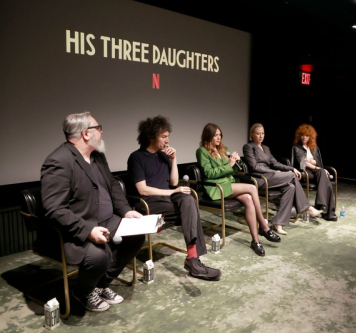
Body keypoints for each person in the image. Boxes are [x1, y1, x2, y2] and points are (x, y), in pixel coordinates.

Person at [41, 112, 145, 312]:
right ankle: (83, 291)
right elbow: (55, 209)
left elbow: (113, 185)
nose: (101, 131)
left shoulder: (97, 156)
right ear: (86, 134)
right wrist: (88, 230)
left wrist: (125, 211)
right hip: (78, 226)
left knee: (136, 234)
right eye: (98, 128)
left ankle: (100, 284)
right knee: (99, 256)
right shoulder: (58, 161)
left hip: (106, 219)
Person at [127, 116, 221, 280]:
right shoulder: (136, 157)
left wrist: (174, 159)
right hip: (149, 204)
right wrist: (172, 192)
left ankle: (192, 257)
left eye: (167, 136)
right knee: (190, 208)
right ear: (151, 137)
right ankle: (193, 259)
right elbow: (143, 190)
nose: (167, 140)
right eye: (163, 136)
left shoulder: (163, 156)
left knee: (189, 198)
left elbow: (174, 181)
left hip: (166, 201)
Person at [195, 123, 281, 257]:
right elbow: (209, 173)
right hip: (216, 187)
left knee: (248, 198)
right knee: (252, 188)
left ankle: (255, 241)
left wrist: (237, 163)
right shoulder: (202, 151)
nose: (218, 138)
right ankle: (264, 227)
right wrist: (229, 165)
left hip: (228, 184)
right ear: (208, 136)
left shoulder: (224, 149)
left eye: (219, 135)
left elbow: (232, 170)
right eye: (215, 135)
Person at [243, 123, 323, 235]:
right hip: (259, 178)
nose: (261, 136)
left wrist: (292, 168)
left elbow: (275, 163)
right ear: (252, 134)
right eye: (258, 133)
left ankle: (278, 222)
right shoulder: (248, 147)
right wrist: (276, 172)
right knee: (291, 175)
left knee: (290, 187)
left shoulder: (266, 148)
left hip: (271, 177)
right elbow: (254, 167)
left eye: (262, 133)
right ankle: (307, 207)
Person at [292, 124, 337, 221]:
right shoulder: (296, 148)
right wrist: (316, 166)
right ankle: (329, 212)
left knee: (324, 176)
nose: (304, 137)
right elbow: (303, 163)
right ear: (299, 136)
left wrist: (316, 166)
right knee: (324, 175)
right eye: (302, 135)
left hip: (316, 172)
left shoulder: (315, 148)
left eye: (307, 135)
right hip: (305, 173)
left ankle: (323, 207)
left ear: (310, 137)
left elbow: (319, 163)